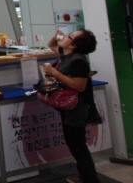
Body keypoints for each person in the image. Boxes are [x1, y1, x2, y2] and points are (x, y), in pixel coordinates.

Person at [44, 29, 100, 183]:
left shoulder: (78, 61)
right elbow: (51, 45)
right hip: (70, 108)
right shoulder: (68, 55)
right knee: (75, 144)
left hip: (77, 108)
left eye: (70, 36)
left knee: (78, 146)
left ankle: (90, 179)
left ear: (74, 45)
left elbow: (79, 86)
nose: (65, 36)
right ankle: (86, 177)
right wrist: (55, 36)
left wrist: (54, 72)